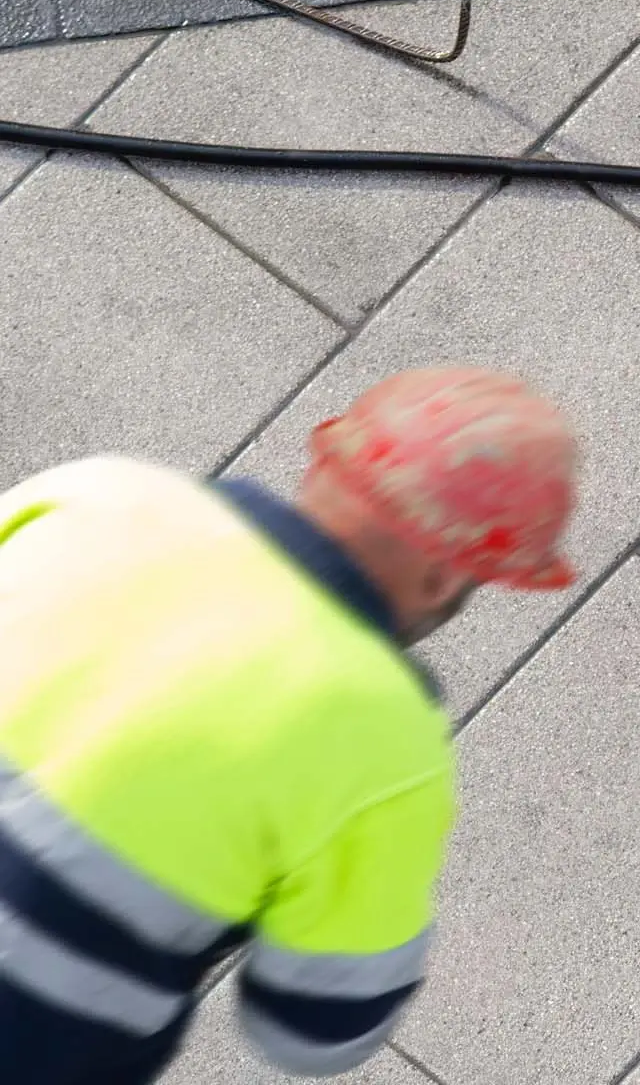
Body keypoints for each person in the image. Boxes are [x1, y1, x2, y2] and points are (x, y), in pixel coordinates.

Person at [0, 367, 578, 1084]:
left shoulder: (96, 493)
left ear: (326, 461)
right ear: (446, 574)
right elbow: (314, 1031)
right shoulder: (387, 741)